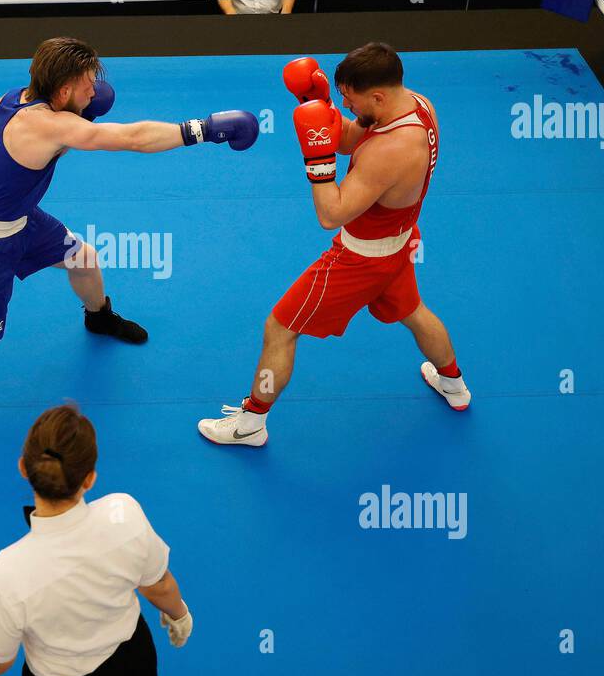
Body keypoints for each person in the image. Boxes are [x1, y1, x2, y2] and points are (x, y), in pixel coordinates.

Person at [0, 36, 258, 412]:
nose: (96, 91)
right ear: (65, 88)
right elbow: (133, 138)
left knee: (83, 258)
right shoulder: (46, 126)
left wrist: (78, 109)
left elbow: (44, 148)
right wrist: (204, 129)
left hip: (20, 219)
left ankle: (98, 316)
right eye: (88, 84)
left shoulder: (11, 99)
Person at [198, 43, 470, 447]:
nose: (344, 102)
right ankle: (455, 386)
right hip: (400, 241)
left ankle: (250, 423)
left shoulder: (390, 150)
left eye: (348, 97)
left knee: (280, 328)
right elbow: (348, 139)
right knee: (413, 312)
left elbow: (331, 213)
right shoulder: (415, 104)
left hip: (361, 260)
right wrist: (319, 104)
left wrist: (318, 163)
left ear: (377, 95)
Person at [0, 404, 192, 676]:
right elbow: (159, 586)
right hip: (133, 662)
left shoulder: (5, 574)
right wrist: (179, 615)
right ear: (89, 478)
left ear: (23, 467)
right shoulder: (125, 513)